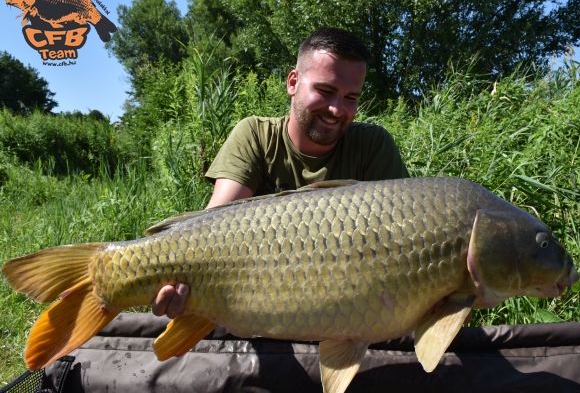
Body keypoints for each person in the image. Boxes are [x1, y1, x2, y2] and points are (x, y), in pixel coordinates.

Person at [152, 27, 410, 319]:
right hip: (255, 310)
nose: (337, 109)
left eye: (351, 97)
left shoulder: (373, 146)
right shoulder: (255, 135)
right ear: (293, 82)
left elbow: (403, 245)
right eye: (325, 91)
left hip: (345, 313)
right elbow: (213, 225)